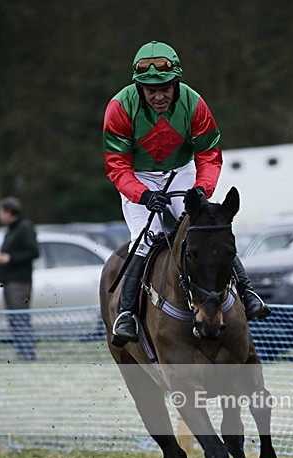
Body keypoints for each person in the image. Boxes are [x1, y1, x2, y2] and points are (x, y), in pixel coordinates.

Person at [103, 40, 270, 347]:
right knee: (147, 238)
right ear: (138, 86)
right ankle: (126, 314)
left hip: (182, 170)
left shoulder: (194, 103)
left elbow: (209, 155)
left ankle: (247, 292)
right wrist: (142, 195)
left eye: (165, 88)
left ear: (176, 82)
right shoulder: (119, 108)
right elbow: (117, 166)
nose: (158, 96)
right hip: (138, 176)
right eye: (150, 90)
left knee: (206, 230)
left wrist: (201, 190)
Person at [0, 196, 39, 361]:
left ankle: (28, 353)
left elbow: (34, 252)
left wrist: (10, 258)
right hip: (9, 282)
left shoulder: (24, 227)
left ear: (9, 212)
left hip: (20, 283)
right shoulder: (12, 229)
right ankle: (23, 352)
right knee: (15, 319)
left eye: (1, 211)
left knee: (20, 318)